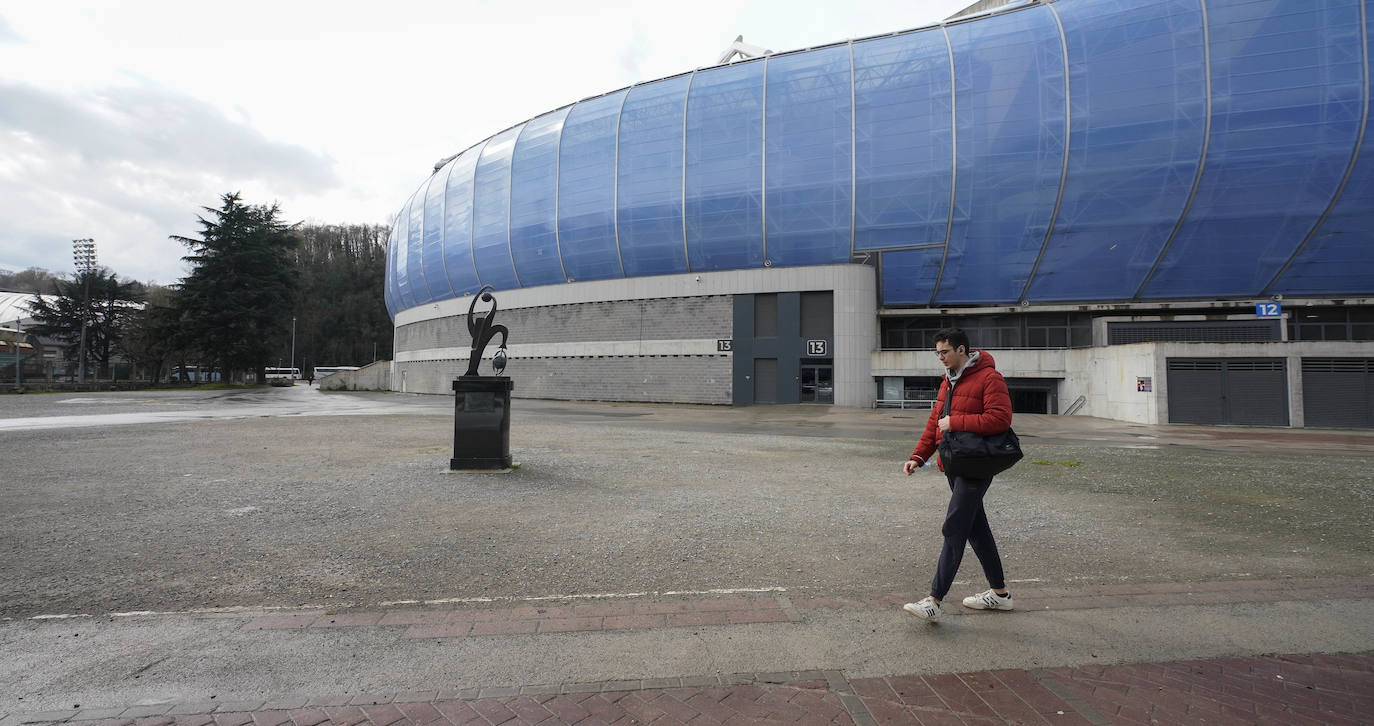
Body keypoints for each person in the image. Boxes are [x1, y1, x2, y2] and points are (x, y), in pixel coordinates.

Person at [901, 327, 1015, 621]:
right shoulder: (947, 382)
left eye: (945, 352)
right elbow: (935, 422)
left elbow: (1000, 418)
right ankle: (1000, 595)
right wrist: (918, 455)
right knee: (977, 530)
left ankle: (934, 600)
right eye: (937, 352)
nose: (940, 357)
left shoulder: (990, 378)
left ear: (962, 350)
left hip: (977, 464)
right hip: (955, 463)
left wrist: (957, 421)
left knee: (954, 528)